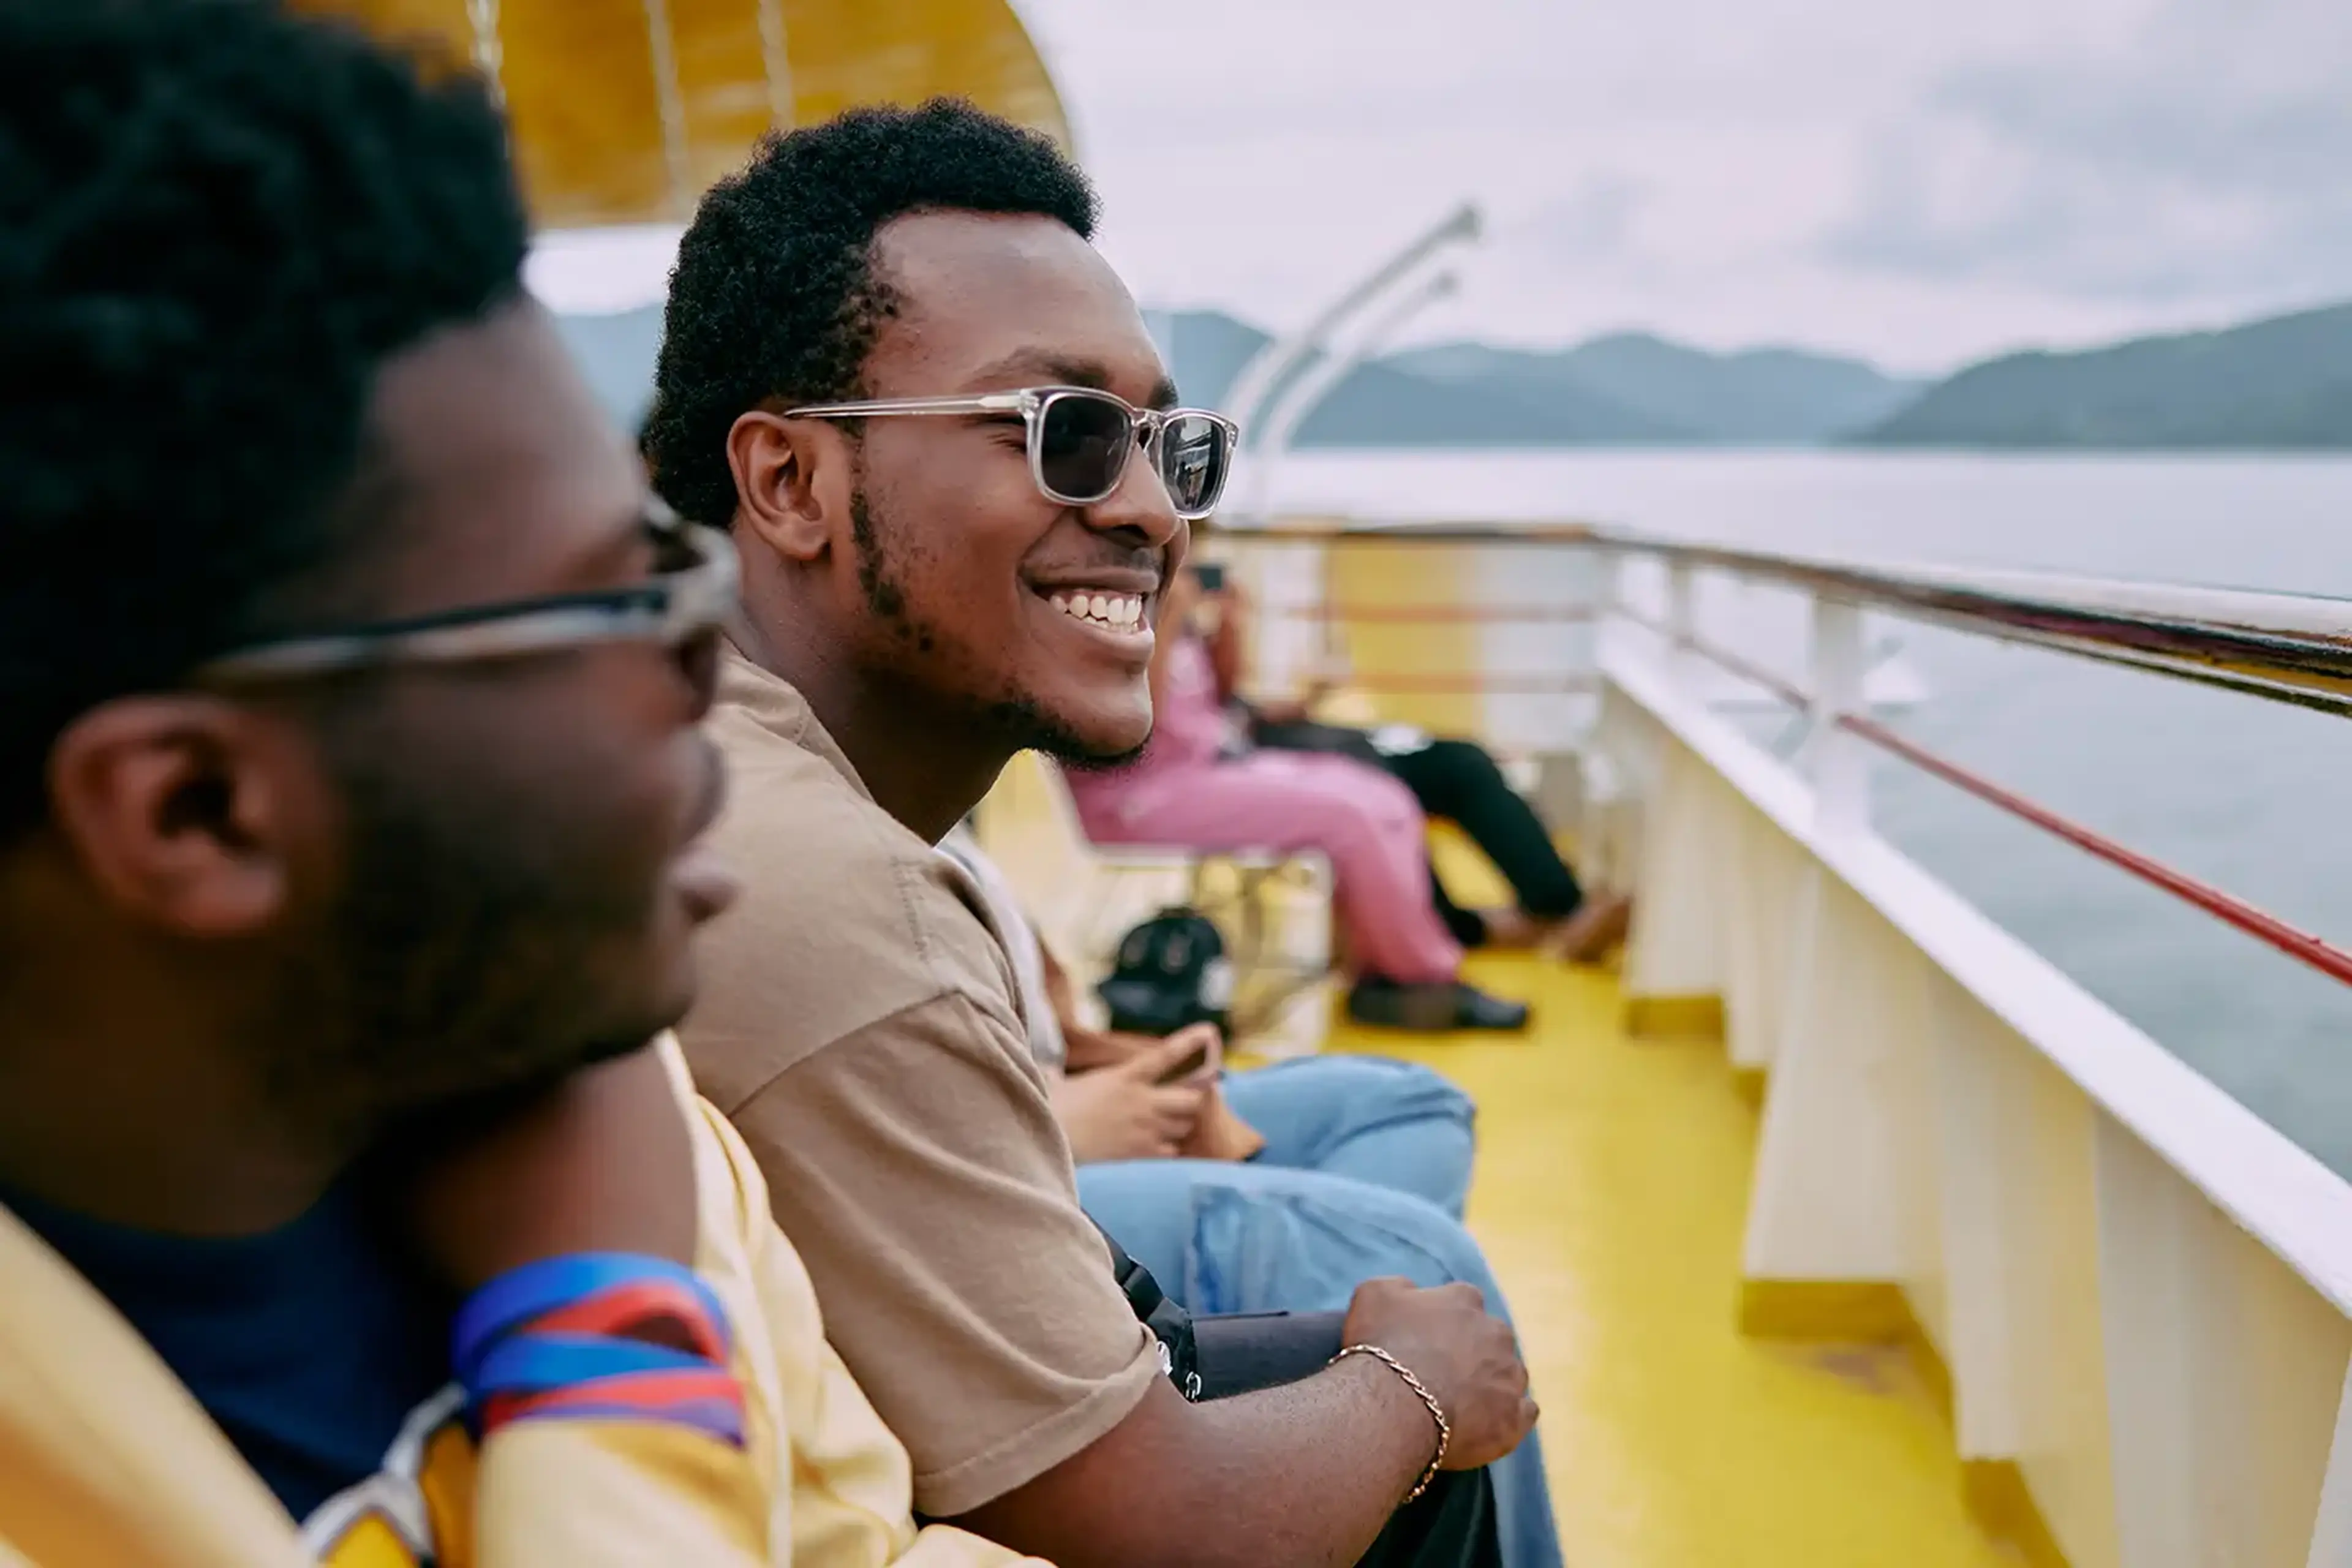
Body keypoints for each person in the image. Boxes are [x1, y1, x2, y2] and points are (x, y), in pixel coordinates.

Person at [0, 9, 1036, 1565]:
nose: (707, 665)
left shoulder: (600, 1089)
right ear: (195, 813)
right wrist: (609, 1354)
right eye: (611, 607)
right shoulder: (605, 1194)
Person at [646, 99, 1540, 1568]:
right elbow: (1154, 1524)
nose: (1147, 512)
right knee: (1433, 1334)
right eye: (1059, 433)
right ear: (790, 480)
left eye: (1164, 446)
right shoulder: (837, 887)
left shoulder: (676, 743)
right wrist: (1415, 1386)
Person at [939, 829, 1565, 1568]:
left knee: (1414, 1103)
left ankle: (1311, 1352)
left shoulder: (925, 826)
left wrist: (1144, 1068)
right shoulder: (848, 866)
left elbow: (1030, 1019)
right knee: (1427, 1261)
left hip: (1055, 1082)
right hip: (1020, 1152)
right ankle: (1332, 1376)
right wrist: (1064, 1123)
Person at [1066, 567, 1534, 1031]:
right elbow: (1129, 729)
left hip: (1210, 765)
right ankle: (1421, 978)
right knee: (1351, 818)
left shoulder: (1164, 599)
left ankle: (1380, 966)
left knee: (1383, 793)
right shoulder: (1111, 612)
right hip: (1137, 798)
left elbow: (1223, 697)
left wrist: (1229, 625)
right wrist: (1166, 619)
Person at [1194, 565, 1632, 962]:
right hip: (1242, 758)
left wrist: (1231, 627)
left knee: (1460, 760)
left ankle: (1559, 904)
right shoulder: (1166, 600)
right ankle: (1459, 928)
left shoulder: (1186, 590)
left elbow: (1224, 695)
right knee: (1381, 789)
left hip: (1269, 733)